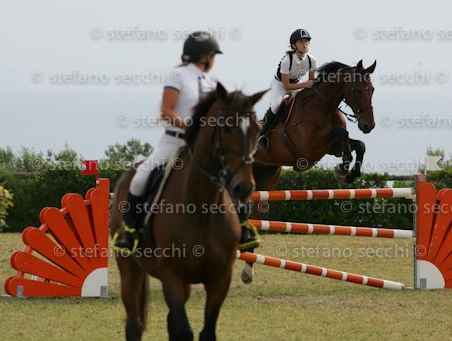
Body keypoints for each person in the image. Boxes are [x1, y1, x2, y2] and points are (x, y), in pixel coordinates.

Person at [115, 31, 259, 252]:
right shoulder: (177, 75)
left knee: (232, 174)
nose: (213, 60)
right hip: (174, 141)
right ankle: (130, 232)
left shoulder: (213, 83)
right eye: (213, 56)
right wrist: (191, 129)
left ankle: (242, 225)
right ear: (207, 56)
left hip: (205, 147)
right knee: (140, 177)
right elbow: (166, 111)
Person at [257, 29, 317, 152]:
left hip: (297, 84)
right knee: (276, 106)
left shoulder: (312, 60)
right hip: (280, 85)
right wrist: (305, 84)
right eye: (301, 42)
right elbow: (286, 86)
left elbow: (312, 81)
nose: (305, 44)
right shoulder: (287, 60)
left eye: (306, 41)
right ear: (294, 45)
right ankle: (262, 136)